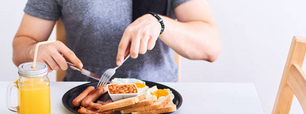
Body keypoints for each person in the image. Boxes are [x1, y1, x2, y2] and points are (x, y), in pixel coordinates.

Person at [12, 0, 221, 82]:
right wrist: (35, 52)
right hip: (81, 109)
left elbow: (210, 47)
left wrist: (161, 23)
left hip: (157, 105)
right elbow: (21, 46)